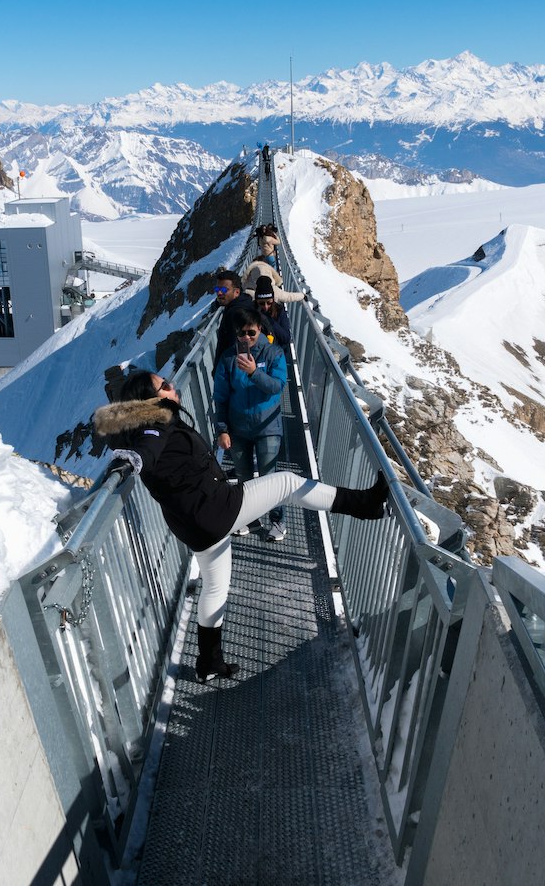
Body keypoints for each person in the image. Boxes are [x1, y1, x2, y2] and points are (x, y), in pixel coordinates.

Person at [93, 370, 390, 682]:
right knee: (288, 482)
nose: (172, 386)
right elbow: (149, 446)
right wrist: (133, 459)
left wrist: (135, 454)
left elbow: (148, 445)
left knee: (216, 586)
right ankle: (365, 505)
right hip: (217, 508)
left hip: (193, 524)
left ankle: (208, 663)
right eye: (164, 386)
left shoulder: (134, 424)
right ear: (150, 400)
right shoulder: (156, 420)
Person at [214, 306, 288, 541]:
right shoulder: (228, 358)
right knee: (245, 476)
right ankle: (246, 517)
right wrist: (222, 430)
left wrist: (254, 372)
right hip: (238, 428)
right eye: (241, 333)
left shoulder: (274, 354)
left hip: (268, 426)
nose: (246, 338)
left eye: (251, 333)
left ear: (260, 330)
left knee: (269, 476)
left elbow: (277, 387)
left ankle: (277, 520)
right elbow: (221, 397)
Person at [212, 269, 254, 359]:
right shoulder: (244, 303)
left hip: (232, 368)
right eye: (217, 289)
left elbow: (239, 349)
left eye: (223, 290)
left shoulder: (236, 315)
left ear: (237, 292)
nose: (219, 293)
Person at [252, 276, 292, 348]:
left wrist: (269, 321)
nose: (266, 306)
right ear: (256, 301)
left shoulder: (279, 310)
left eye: (269, 303)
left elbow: (286, 338)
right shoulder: (251, 310)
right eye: (261, 303)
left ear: (273, 300)